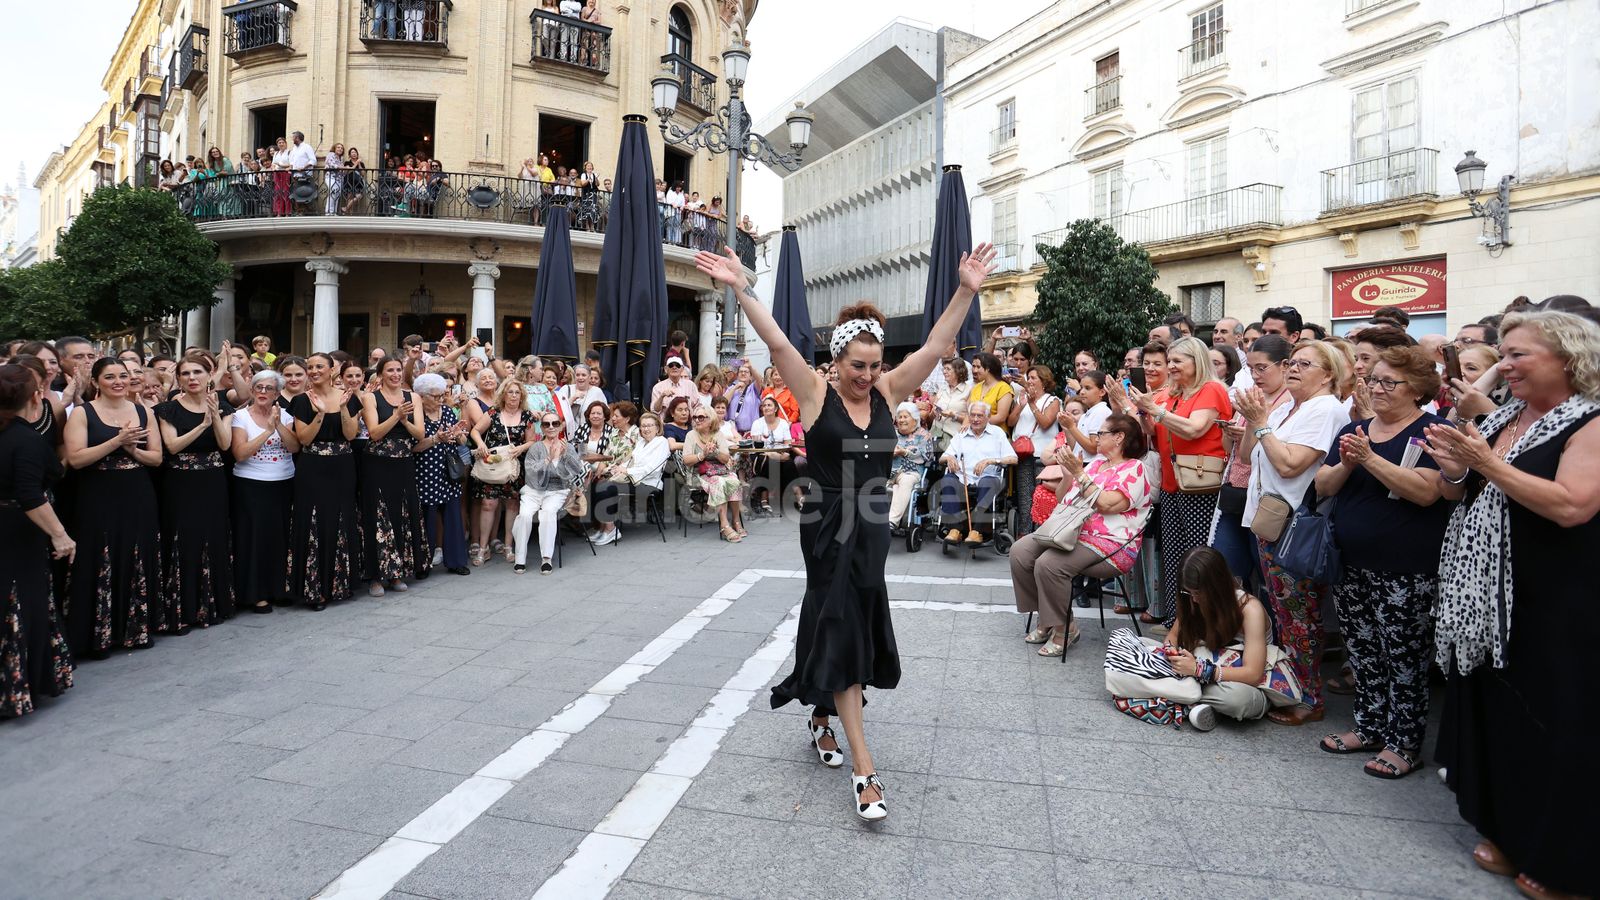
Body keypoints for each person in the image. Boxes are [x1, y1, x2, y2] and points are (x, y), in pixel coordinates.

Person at [697, 238, 995, 820]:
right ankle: (865, 768)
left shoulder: (888, 391)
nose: (865, 375)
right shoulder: (812, 392)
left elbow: (937, 345)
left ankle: (818, 713)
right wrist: (741, 287)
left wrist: (964, 291)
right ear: (835, 362)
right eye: (856, 366)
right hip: (828, 520)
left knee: (840, 614)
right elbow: (778, 340)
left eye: (873, 365)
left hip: (874, 521)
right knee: (842, 621)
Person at [1421, 310, 1600, 898]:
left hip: (1556, 595)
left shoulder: (1591, 421)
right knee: (1499, 709)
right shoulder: (1506, 414)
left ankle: (1563, 860)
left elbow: (1573, 505)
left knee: (1555, 719)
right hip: (1488, 592)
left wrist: (1486, 464)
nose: (1505, 366)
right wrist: (1455, 469)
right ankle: (1503, 825)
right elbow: (1465, 490)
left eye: (1519, 355)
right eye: (1503, 353)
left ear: (1570, 360)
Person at [1310, 346, 1452, 778]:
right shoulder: (1356, 429)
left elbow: (1428, 492)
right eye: (1374, 381)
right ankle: (1370, 726)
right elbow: (1323, 485)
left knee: (1403, 656)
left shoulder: (1433, 431)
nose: (1378, 388)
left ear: (1418, 390)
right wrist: (1349, 462)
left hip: (1405, 566)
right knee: (1363, 650)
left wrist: (1370, 458)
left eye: (1390, 382)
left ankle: (1405, 743)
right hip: (1352, 561)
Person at [1234, 340, 1349, 726]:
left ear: (1329, 374)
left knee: (1300, 614)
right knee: (1284, 612)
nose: (1295, 368)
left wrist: (1263, 422)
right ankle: (1292, 687)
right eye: (1293, 362)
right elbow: (1247, 455)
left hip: (1296, 526)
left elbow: (1289, 465)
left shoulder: (1326, 409)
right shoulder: (1288, 407)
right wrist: (1257, 417)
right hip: (1270, 521)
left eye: (1305, 364)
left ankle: (1310, 698)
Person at [1012, 413, 1152, 656]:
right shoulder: (1096, 464)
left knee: (1049, 564)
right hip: (1073, 533)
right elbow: (1062, 500)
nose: (1095, 438)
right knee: (1020, 551)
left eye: (1101, 433)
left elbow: (1107, 504)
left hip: (1111, 544)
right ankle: (1049, 617)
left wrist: (1079, 474)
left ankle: (1064, 628)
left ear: (1119, 437)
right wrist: (1068, 475)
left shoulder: (1135, 469)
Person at [1108, 547, 1276, 731]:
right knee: (1136, 643)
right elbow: (1172, 637)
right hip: (1197, 666)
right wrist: (1170, 652)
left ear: (1217, 586)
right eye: (1190, 593)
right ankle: (1190, 701)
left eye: (1199, 593)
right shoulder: (1192, 599)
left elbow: (1253, 673)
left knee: (1236, 700)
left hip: (1236, 681)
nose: (1194, 599)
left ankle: (1172, 695)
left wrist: (1199, 670)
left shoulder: (1250, 609)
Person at [63, 359, 165, 655]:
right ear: (96, 382)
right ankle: (99, 635)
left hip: (137, 493)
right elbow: (76, 459)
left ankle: (134, 630)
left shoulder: (144, 411)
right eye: (110, 377)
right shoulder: (83, 413)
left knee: (136, 554)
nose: (119, 381)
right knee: (99, 557)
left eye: (124, 375)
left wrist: (133, 450)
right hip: (97, 495)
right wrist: (117, 441)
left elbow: (156, 458)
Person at [1128, 336, 1231, 624]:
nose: (1170, 367)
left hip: (1199, 484)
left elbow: (1195, 429)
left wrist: (1157, 410)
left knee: (1196, 557)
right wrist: (1146, 412)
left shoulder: (1211, 390)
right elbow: (1155, 431)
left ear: (1196, 361)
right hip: (1172, 484)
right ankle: (1177, 622)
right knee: (1173, 556)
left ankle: (1201, 623)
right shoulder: (1173, 395)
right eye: (1169, 361)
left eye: (1176, 361)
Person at [0, 364, 75, 718]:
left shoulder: (16, 433)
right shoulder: (24, 439)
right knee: (20, 603)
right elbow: (30, 495)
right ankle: (15, 687)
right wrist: (60, 535)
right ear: (35, 396)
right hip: (18, 532)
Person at [154, 358, 236, 628]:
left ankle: (213, 604)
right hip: (180, 482)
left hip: (213, 480)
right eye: (185, 373)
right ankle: (181, 609)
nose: (192, 378)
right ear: (178, 378)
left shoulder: (222, 406)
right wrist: (202, 424)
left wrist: (214, 418)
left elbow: (224, 445)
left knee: (212, 537)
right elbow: (173, 446)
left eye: (197, 372)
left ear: (209, 375)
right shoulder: (167, 409)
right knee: (183, 539)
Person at [1212, 335, 1294, 583]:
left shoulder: (1291, 401)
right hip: (1236, 490)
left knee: (1266, 578)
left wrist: (1256, 425)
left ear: (1284, 366)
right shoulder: (1251, 396)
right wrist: (1233, 432)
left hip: (1267, 500)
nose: (1256, 375)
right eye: (1251, 368)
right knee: (1227, 569)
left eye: (1262, 368)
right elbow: (1240, 454)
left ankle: (1265, 621)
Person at [287, 353, 363, 610]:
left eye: (319, 366)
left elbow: (351, 434)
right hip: (312, 467)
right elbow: (304, 440)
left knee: (341, 519)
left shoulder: (348, 398)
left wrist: (341, 408)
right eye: (310, 367)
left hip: (342, 465)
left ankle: (340, 583)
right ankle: (315, 589)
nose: (314, 371)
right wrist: (319, 414)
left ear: (332, 370)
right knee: (314, 522)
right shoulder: (301, 400)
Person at [231, 370, 299, 613]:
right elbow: (240, 453)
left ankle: (278, 589)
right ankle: (256, 594)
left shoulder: (287, 416)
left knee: (279, 538)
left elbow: (293, 447)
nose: (262, 392)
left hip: (282, 482)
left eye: (268, 388)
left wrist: (278, 424)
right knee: (254, 539)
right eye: (258, 387)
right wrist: (268, 431)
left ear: (277, 393)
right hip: (251, 484)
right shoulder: (240, 417)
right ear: (252, 390)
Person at [360, 357, 428, 595]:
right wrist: (395, 416)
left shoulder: (413, 397)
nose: (396, 374)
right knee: (377, 517)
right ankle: (375, 576)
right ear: (380, 374)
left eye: (398, 369)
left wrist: (405, 420)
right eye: (390, 370)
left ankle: (397, 573)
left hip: (404, 464)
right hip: (377, 464)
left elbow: (419, 434)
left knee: (401, 515)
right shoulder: (370, 397)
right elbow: (375, 433)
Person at [470, 379, 534, 566]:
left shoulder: (527, 416)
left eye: (517, 392)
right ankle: (483, 548)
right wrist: (481, 443)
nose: (513, 396)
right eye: (510, 392)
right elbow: (475, 431)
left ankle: (508, 546)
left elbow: (532, 440)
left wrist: (521, 448)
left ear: (521, 396)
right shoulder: (494, 412)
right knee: (488, 504)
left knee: (512, 505)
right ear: (503, 395)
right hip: (493, 464)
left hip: (513, 466)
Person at [411, 373, 470, 575]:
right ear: (422, 396)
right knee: (426, 517)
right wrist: (436, 439)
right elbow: (413, 447)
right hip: (424, 470)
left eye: (442, 395)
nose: (440, 400)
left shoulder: (446, 410)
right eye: (435, 396)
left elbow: (460, 441)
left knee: (453, 515)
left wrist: (459, 434)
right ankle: (422, 564)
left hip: (447, 469)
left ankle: (456, 561)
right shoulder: (415, 414)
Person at [512, 410, 583, 574]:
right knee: (524, 516)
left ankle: (546, 558)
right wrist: (548, 459)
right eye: (546, 424)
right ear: (542, 428)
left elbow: (576, 470)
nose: (551, 427)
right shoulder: (536, 448)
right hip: (533, 490)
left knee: (548, 513)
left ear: (560, 426)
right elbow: (531, 473)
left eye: (555, 423)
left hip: (557, 490)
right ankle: (520, 558)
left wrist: (565, 456)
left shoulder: (568, 446)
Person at [936, 401, 1016, 544]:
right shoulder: (961, 434)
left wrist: (991, 461)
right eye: (972, 415)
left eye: (980, 415)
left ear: (988, 417)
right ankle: (955, 530)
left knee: (987, 483)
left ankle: (977, 531)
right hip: (963, 477)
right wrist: (949, 458)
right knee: (947, 480)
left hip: (988, 477)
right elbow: (942, 458)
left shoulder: (997, 434)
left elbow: (1013, 459)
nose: (975, 419)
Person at [1009, 365, 1061, 535]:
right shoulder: (1021, 398)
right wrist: (1021, 405)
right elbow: (1010, 422)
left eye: (1033, 378)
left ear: (1044, 381)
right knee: (1025, 496)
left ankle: (1040, 532)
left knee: (1041, 495)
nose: (1029, 381)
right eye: (1028, 377)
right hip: (1023, 454)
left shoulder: (1053, 400)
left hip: (1042, 455)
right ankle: (1024, 533)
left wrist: (1032, 404)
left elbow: (1046, 423)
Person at [683, 402, 746, 541]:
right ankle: (724, 525)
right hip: (698, 474)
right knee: (718, 483)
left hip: (720, 471)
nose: (697, 420)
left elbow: (725, 458)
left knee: (734, 481)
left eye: (701, 417)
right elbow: (686, 460)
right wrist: (702, 454)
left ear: (710, 418)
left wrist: (716, 451)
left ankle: (736, 521)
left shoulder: (718, 434)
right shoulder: (691, 435)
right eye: (694, 417)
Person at [886, 402, 933, 530]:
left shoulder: (923, 435)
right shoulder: (892, 433)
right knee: (889, 486)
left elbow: (927, 456)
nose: (901, 420)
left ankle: (891, 522)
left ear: (915, 419)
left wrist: (905, 452)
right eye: (899, 417)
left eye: (905, 416)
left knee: (905, 481)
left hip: (912, 472)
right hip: (890, 471)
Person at [967, 352, 1014, 427]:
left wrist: (977, 422)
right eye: (973, 366)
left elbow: (1001, 417)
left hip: (995, 434)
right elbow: (968, 413)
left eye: (978, 367)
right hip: (974, 433)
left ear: (988, 369)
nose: (974, 371)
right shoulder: (976, 387)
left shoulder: (1003, 388)